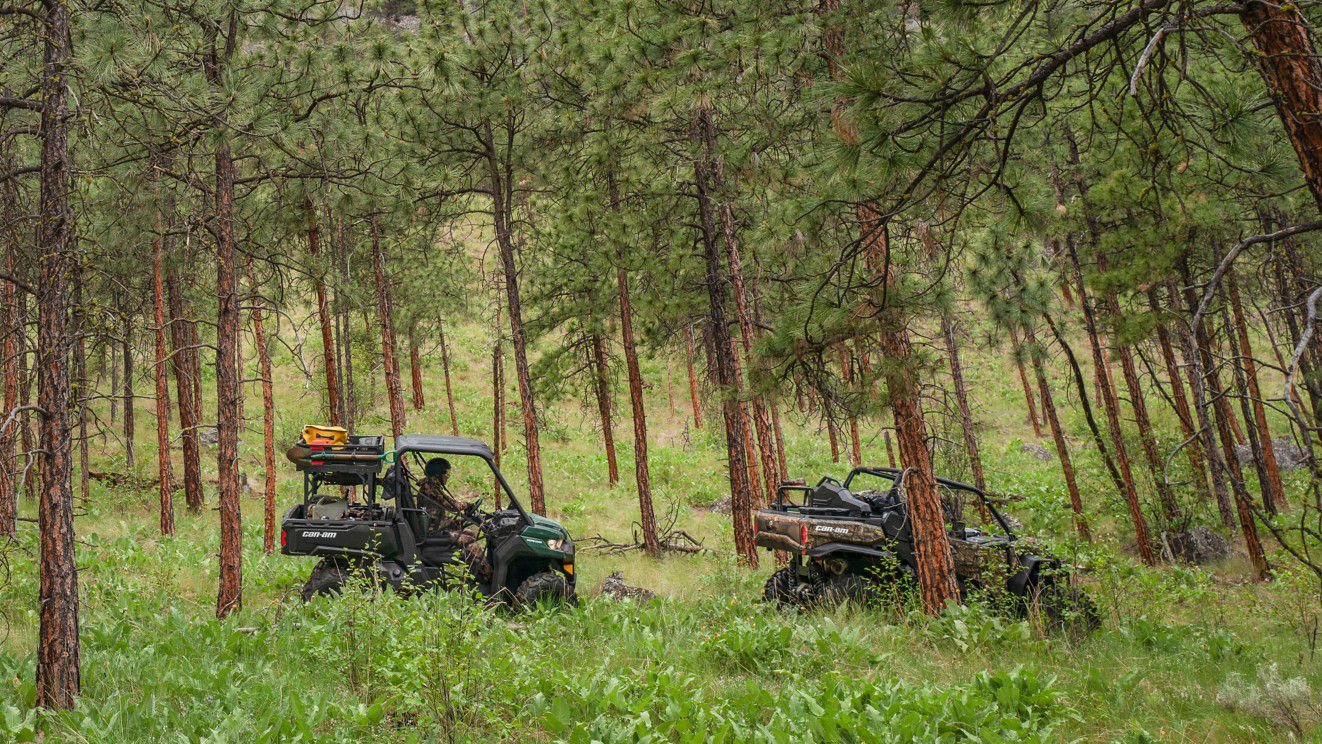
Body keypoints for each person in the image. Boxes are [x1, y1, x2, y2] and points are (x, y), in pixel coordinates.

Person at [415, 458, 491, 583]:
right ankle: (486, 578)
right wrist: (468, 505)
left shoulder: (430, 486)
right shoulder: (430, 489)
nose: (447, 477)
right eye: (446, 474)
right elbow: (452, 505)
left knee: (470, 533)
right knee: (470, 541)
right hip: (433, 534)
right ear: (438, 474)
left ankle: (475, 575)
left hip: (435, 528)